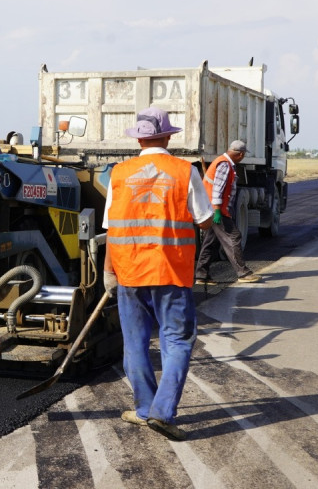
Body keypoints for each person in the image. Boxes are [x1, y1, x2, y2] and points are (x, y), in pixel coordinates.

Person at [102, 107, 213, 441]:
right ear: (167, 136)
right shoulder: (184, 171)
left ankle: (143, 409)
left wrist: (109, 270)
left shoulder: (119, 174)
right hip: (170, 270)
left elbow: (110, 228)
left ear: (139, 138)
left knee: (135, 343)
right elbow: (204, 219)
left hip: (128, 271)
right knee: (177, 339)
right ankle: (162, 413)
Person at [194, 140, 262, 284]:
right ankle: (243, 273)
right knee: (234, 237)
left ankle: (201, 275)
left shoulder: (222, 161)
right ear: (240, 154)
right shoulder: (225, 165)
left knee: (210, 242)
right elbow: (218, 189)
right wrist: (218, 211)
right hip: (217, 210)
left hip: (210, 208)